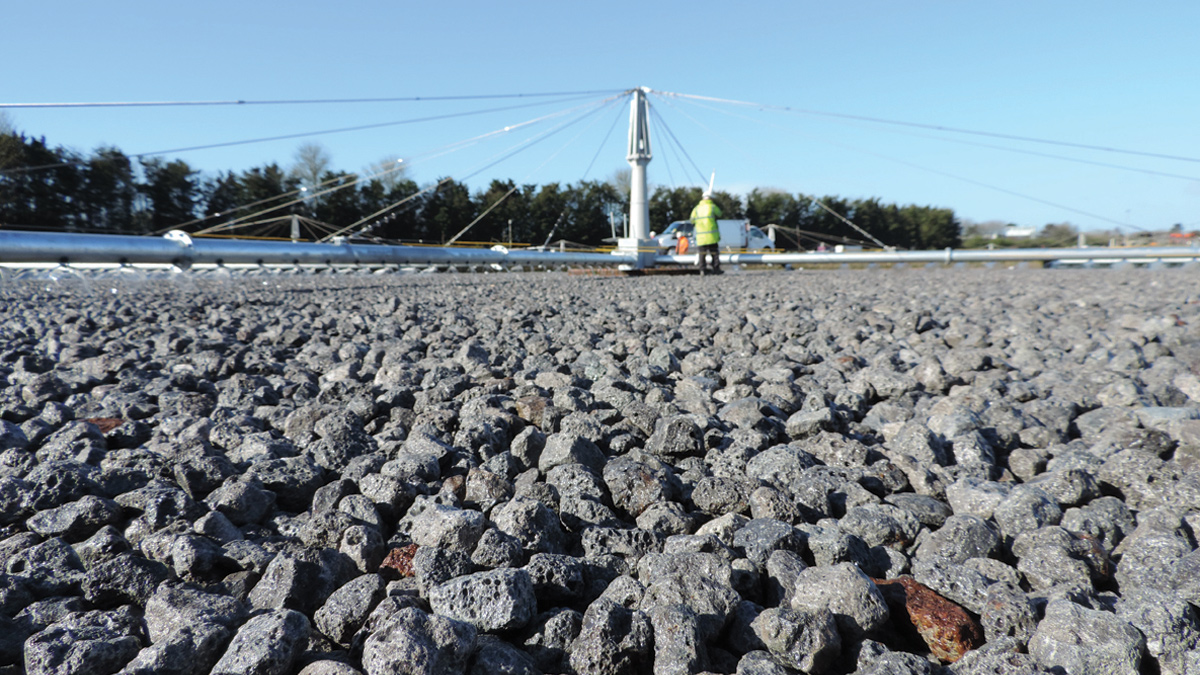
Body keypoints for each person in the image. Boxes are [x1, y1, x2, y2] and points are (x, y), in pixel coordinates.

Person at [689, 191, 723, 275]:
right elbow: (720, 214)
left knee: (702, 254)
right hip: (712, 236)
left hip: (701, 237)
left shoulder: (696, 209)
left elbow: (692, 220)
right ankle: (716, 269)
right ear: (711, 198)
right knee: (714, 253)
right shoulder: (712, 207)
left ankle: (702, 270)